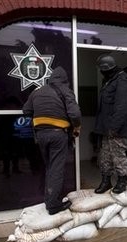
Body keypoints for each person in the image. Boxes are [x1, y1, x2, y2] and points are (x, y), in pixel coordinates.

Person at [23, 66, 81, 215]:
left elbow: (26, 110)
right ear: (65, 80)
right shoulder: (65, 91)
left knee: (50, 167)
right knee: (56, 168)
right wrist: (76, 128)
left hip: (41, 135)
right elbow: (74, 113)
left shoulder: (38, 92)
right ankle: (54, 205)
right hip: (57, 135)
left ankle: (49, 199)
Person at [93, 54, 127, 194]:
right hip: (106, 129)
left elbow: (122, 108)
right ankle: (106, 181)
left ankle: (122, 182)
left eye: (102, 69)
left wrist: (114, 127)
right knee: (105, 157)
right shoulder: (109, 81)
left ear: (107, 68)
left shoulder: (123, 81)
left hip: (117, 130)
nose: (100, 72)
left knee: (118, 156)